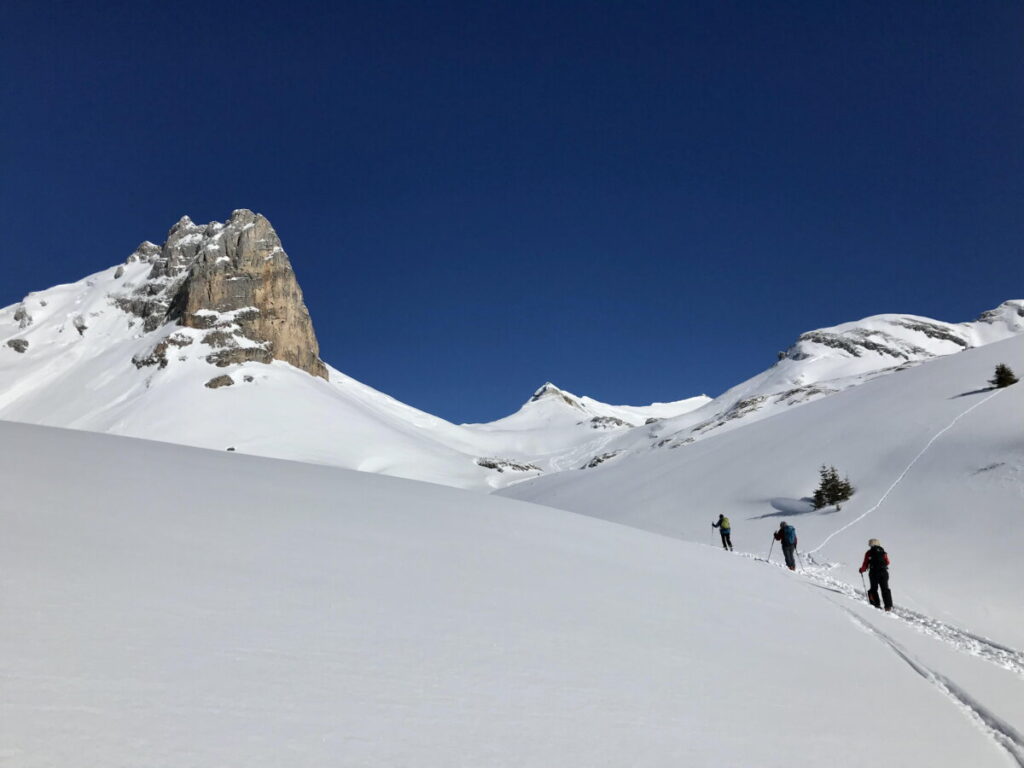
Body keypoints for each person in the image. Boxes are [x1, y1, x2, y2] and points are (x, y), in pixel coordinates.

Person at [859, 538, 893, 611]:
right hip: (884, 572)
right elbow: (887, 562)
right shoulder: (883, 552)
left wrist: (861, 570)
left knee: (873, 588)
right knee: (885, 589)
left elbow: (865, 564)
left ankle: (876, 604)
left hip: (874, 572)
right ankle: (888, 606)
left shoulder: (869, 553)